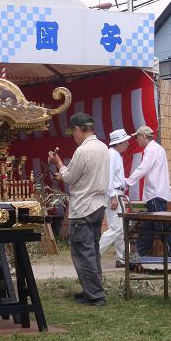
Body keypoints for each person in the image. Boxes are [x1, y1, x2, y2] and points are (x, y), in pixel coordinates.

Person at [48, 112, 110, 306]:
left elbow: (69, 177)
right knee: (92, 250)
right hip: (98, 204)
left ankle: (95, 294)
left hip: (83, 206)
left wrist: (59, 164)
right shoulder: (103, 147)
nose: (73, 137)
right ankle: (93, 289)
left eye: (73, 133)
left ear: (77, 130)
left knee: (83, 252)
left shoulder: (83, 151)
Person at [125, 125, 171, 258]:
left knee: (161, 226)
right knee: (148, 226)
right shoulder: (157, 148)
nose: (136, 140)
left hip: (155, 194)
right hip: (155, 194)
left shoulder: (152, 150)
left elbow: (143, 168)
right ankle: (140, 253)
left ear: (143, 136)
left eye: (137, 137)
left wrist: (128, 182)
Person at [99, 128, 131, 268]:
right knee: (116, 228)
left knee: (121, 228)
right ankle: (95, 254)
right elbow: (109, 177)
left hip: (118, 193)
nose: (128, 143)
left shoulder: (115, 154)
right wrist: (112, 196)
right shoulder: (112, 155)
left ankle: (122, 258)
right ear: (119, 143)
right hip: (115, 194)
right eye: (126, 141)